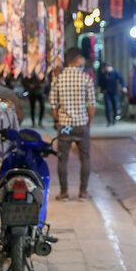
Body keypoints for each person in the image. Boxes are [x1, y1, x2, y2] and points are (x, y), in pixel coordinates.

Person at [50, 47, 96, 200]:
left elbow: (53, 104)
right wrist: (89, 122)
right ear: (77, 60)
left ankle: (64, 192)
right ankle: (83, 192)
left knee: (63, 158)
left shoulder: (58, 79)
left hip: (65, 126)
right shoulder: (86, 78)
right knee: (85, 158)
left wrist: (57, 120)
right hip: (81, 124)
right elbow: (91, 104)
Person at [98, 62, 127, 126]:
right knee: (108, 107)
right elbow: (100, 83)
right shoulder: (103, 74)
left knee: (115, 106)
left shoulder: (115, 72)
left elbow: (121, 80)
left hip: (114, 92)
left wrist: (124, 86)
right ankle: (109, 121)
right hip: (107, 93)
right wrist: (101, 90)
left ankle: (114, 119)